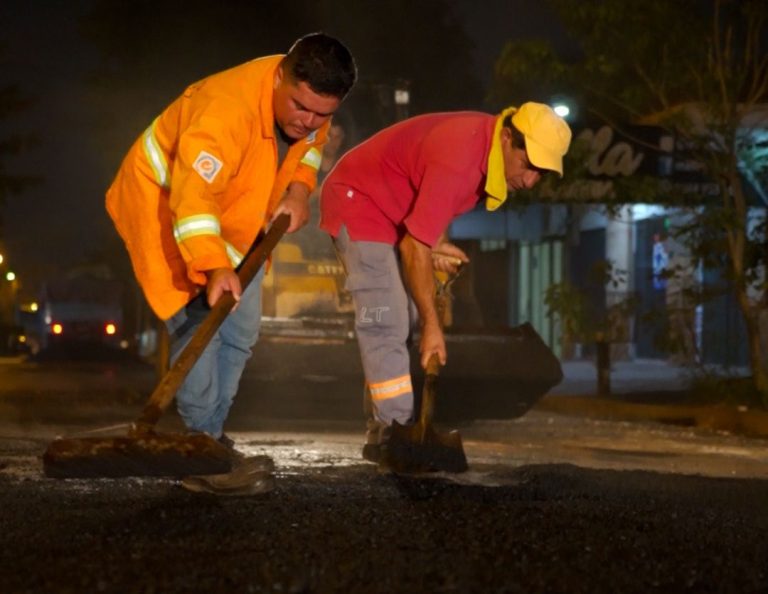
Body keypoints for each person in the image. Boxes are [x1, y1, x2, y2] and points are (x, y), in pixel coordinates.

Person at [106, 33, 357, 492]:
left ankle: (212, 440)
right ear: (281, 76)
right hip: (170, 212)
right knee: (199, 327)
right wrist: (213, 265)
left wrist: (300, 189)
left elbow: (312, 146)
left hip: (239, 217)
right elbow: (193, 195)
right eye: (302, 108)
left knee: (239, 333)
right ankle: (201, 450)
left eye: (323, 114)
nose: (310, 122)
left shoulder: (310, 106)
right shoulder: (225, 110)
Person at [319, 102, 572, 464]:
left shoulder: (483, 151)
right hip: (357, 200)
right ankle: (395, 433)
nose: (530, 180)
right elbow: (412, 244)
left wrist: (434, 244)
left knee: (400, 316)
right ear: (506, 138)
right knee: (387, 318)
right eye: (528, 164)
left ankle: (385, 432)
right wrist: (433, 326)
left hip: (390, 213)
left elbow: (423, 211)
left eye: (541, 173)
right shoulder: (462, 157)